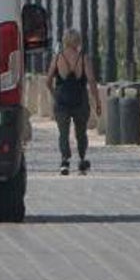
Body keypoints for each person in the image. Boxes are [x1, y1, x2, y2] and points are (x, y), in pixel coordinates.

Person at [44, 28, 102, 176]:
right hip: (80, 100)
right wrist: (97, 102)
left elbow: (48, 80)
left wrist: (54, 93)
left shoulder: (58, 57)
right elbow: (91, 81)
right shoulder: (83, 58)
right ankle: (82, 159)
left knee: (63, 133)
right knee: (81, 132)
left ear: (65, 41)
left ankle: (64, 161)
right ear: (78, 41)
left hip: (62, 100)